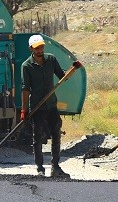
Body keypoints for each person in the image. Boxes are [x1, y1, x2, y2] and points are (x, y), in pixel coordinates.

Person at [21, 34, 79, 178]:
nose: (40, 49)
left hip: (51, 104)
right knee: (37, 138)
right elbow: (25, 89)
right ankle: (40, 168)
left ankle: (55, 167)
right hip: (37, 106)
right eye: (37, 48)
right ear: (31, 49)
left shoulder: (51, 59)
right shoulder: (26, 66)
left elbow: (62, 76)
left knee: (56, 135)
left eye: (41, 46)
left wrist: (73, 69)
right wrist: (24, 109)